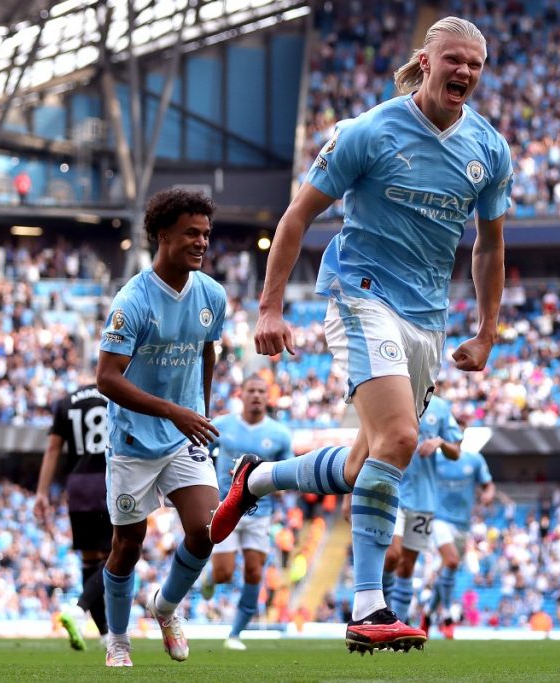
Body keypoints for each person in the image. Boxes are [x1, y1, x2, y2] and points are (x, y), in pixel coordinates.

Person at [210, 16, 512, 654]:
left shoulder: (489, 149)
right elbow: (296, 216)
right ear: (425, 62)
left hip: (427, 320)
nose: (464, 72)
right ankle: (369, 608)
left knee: (360, 464)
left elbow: (489, 248)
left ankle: (255, 481)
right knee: (401, 438)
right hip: (360, 293)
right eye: (452, 59)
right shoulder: (369, 131)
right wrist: (269, 309)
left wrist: (487, 331)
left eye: (475, 65)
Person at [96, 188, 226, 667]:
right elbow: (105, 378)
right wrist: (175, 411)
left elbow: (207, 349)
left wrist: (199, 411)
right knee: (127, 546)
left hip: (183, 438)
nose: (201, 242)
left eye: (206, 234)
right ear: (162, 234)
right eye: (191, 233)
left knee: (206, 528)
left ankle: (166, 606)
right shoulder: (133, 300)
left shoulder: (213, 295)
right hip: (133, 440)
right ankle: (117, 639)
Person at [204, 375, 293, 651]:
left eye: (261, 392)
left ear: (268, 397)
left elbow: (286, 471)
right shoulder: (222, 426)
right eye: (251, 391)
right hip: (224, 507)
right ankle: (209, 577)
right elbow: (201, 455)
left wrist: (278, 489)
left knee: (254, 572)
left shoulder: (279, 434)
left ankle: (235, 634)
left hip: (260, 511)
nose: (256, 396)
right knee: (223, 574)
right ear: (241, 394)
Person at [35, 382, 112, 651]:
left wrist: (42, 492)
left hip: (78, 486)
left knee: (90, 560)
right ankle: (79, 609)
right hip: (109, 480)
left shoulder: (66, 402)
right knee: (120, 554)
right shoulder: (115, 394)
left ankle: (105, 635)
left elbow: (53, 449)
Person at [381, 395, 463, 624]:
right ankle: (382, 617)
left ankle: (400, 623)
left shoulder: (440, 407)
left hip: (423, 499)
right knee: (392, 556)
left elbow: (455, 451)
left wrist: (440, 442)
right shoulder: (390, 396)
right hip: (391, 491)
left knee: (407, 566)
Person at [425, 444, 495, 638]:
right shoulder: (434, 459)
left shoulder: (474, 460)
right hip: (438, 519)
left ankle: (428, 614)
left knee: (447, 570)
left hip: (463, 524)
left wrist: (488, 494)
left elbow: (488, 485)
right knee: (452, 561)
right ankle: (447, 616)